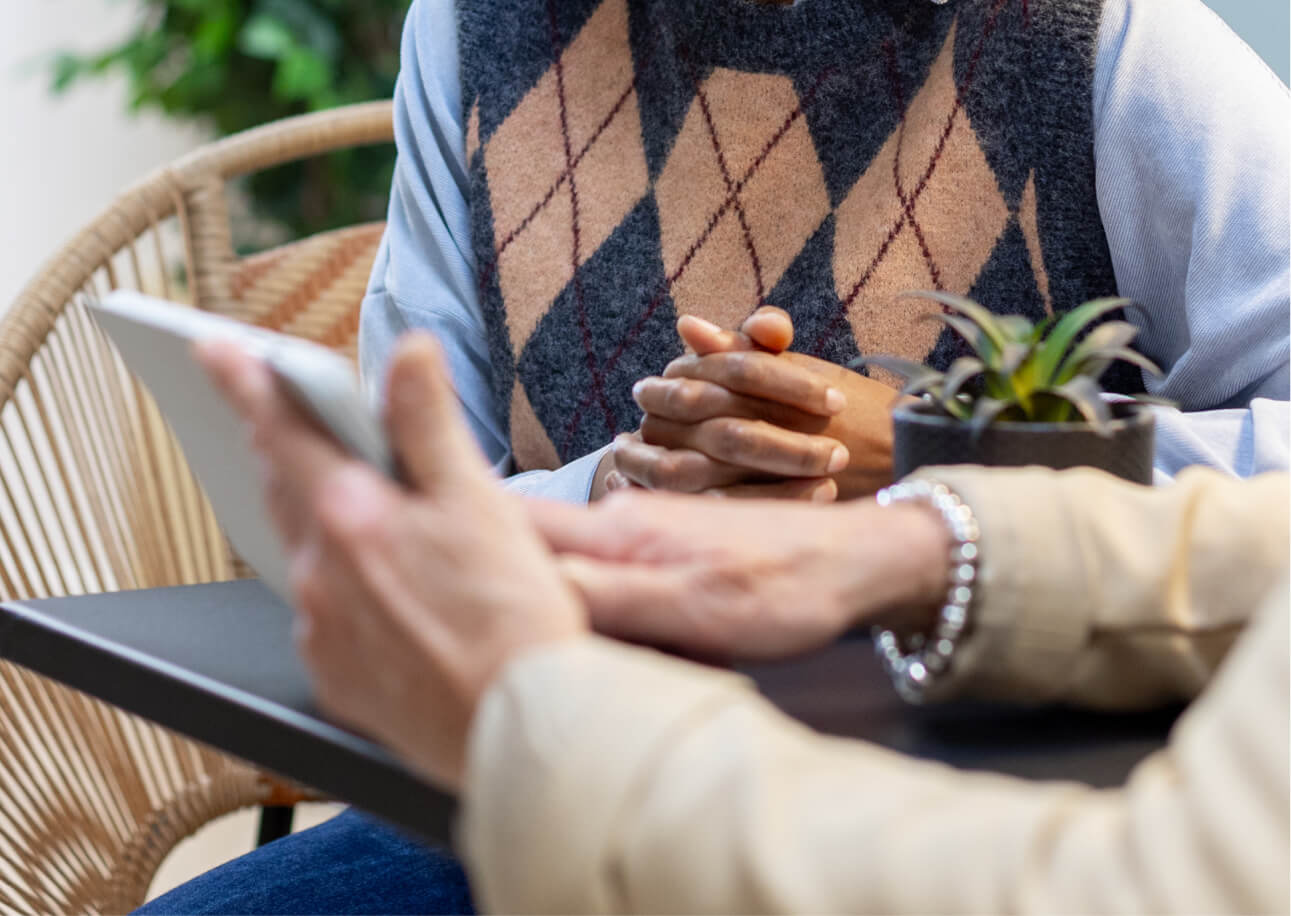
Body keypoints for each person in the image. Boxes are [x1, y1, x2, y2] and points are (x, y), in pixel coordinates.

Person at [144, 332, 1288, 913]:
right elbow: (443, 453)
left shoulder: (1110, 43)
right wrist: (923, 541)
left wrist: (542, 720)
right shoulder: (473, 39)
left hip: (809, 787)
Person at [358, 0, 1289, 503]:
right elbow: (404, 500)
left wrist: (936, 453)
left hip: (987, 796)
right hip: (556, 755)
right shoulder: (476, 28)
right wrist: (613, 487)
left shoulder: (1107, 38)